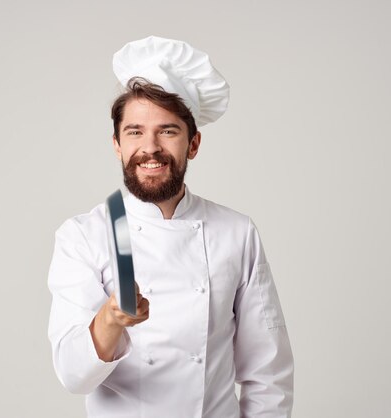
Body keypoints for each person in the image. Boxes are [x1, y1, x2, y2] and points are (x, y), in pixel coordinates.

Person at [48, 36, 294, 418]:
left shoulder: (236, 233)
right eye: (134, 132)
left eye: (168, 131)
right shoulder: (84, 235)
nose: (151, 148)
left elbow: (268, 374)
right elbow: (72, 375)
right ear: (116, 143)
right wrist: (112, 320)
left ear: (193, 143)